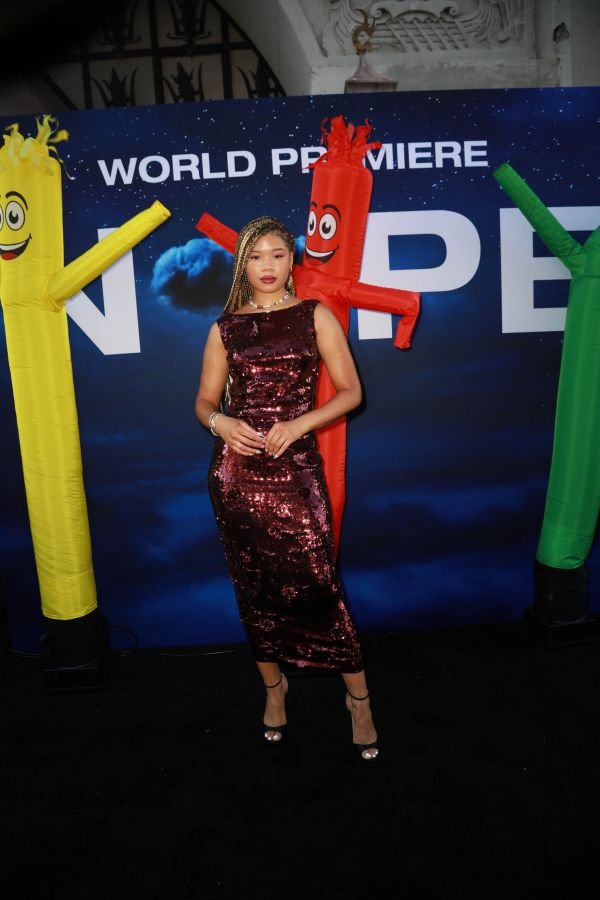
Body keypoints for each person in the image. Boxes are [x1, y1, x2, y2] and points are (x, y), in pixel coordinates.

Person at [195, 215, 379, 761]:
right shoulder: (225, 328)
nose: (268, 265)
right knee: (254, 587)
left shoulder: (314, 315)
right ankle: (274, 689)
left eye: (277, 254)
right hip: (236, 475)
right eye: (256, 256)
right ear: (243, 265)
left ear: (291, 261)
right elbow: (203, 401)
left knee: (320, 584)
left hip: (295, 470)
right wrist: (221, 423)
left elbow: (351, 392)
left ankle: (359, 700)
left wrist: (298, 425)